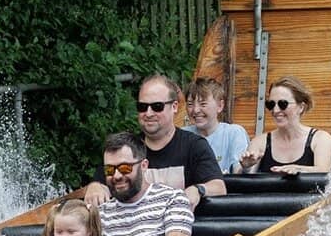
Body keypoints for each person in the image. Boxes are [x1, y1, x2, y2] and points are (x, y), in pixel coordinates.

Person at [84, 75, 227, 209]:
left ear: (175, 107)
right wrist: (95, 186)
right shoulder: (126, 148)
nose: (148, 113)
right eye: (142, 107)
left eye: (157, 106)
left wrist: (198, 189)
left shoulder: (194, 145)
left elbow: (219, 187)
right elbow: (100, 182)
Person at [98, 132, 193, 236]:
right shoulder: (101, 213)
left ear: (143, 166)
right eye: (109, 170)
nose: (117, 176)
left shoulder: (172, 199)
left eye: (125, 168)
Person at [237, 76, 331, 175]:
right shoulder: (260, 142)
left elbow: (324, 172)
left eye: (283, 104)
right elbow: (246, 179)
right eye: (271, 104)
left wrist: (298, 169)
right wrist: (246, 168)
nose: (275, 110)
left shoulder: (320, 139)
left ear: (301, 107)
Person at [183, 77, 250, 173]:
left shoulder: (234, 133)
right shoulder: (182, 136)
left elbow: (238, 172)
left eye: (203, 104)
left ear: (220, 106)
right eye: (190, 104)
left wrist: (245, 167)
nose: (195, 110)